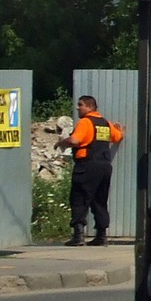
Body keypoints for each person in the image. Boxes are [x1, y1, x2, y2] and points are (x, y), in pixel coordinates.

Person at [57, 94, 119, 246]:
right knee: (100, 200)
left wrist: (61, 142)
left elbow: (75, 140)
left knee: (79, 199)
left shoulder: (85, 122)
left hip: (87, 165)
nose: (77, 107)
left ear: (90, 107)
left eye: (80, 104)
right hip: (104, 166)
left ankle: (78, 236)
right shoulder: (104, 123)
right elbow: (117, 137)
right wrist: (120, 130)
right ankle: (101, 235)